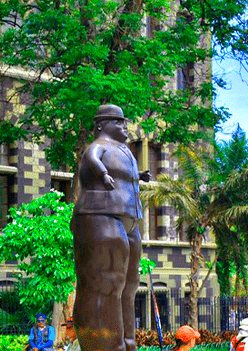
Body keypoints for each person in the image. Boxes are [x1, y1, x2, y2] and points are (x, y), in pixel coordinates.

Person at [72, 104, 151, 351]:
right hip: (100, 213)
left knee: (130, 284)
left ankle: (127, 343)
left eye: (124, 121)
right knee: (105, 281)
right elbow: (92, 159)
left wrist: (140, 176)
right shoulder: (98, 147)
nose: (123, 126)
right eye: (117, 122)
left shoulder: (123, 150)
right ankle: (105, 345)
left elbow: (126, 175)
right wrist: (103, 173)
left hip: (129, 218)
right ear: (101, 125)